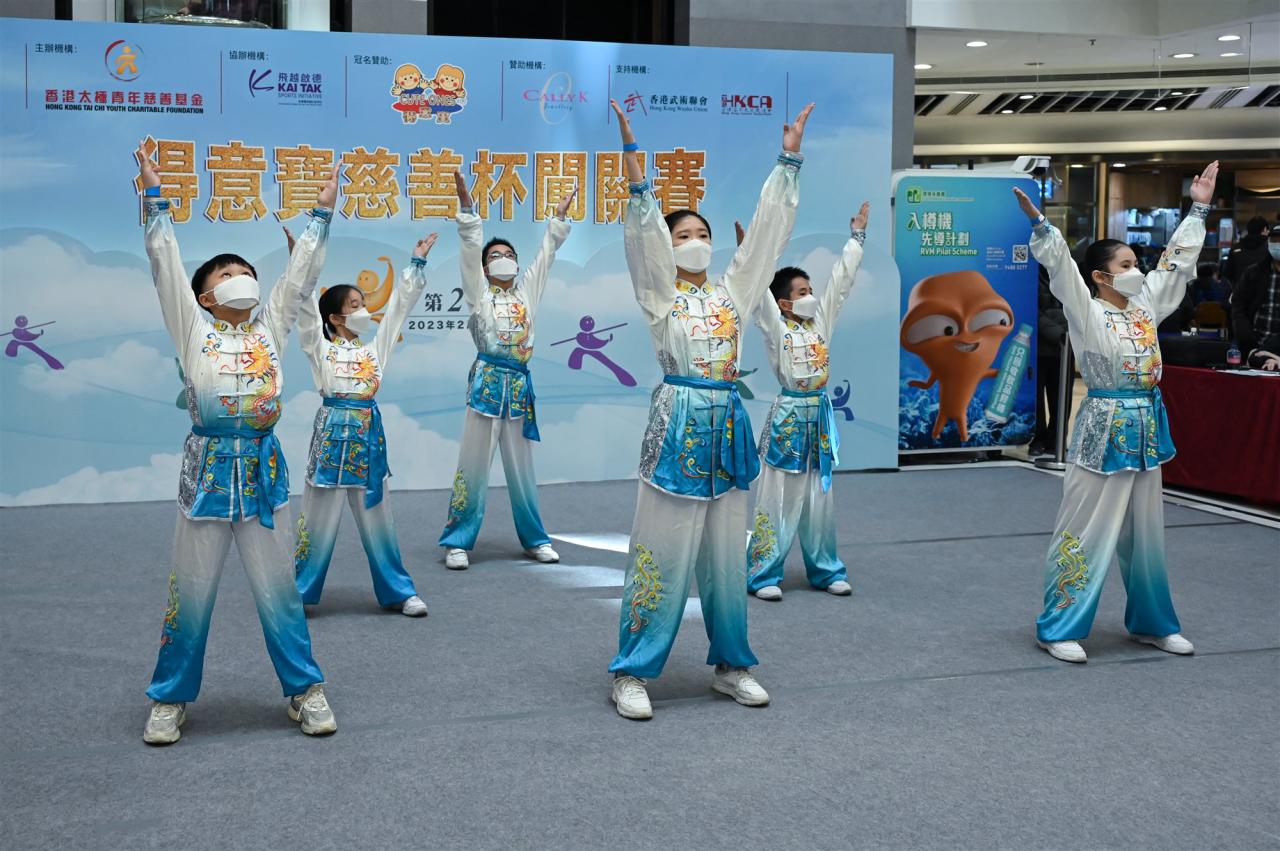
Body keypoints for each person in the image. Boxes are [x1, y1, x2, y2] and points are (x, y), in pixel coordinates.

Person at [604, 97, 812, 720]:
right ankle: (632, 670)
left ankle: (732, 665)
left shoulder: (732, 295)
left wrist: (788, 161)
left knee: (726, 557)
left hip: (726, 430)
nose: (695, 243)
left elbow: (767, 237)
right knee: (661, 550)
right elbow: (642, 237)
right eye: (683, 236)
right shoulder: (659, 294)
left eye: (702, 235)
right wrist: (634, 163)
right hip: (677, 428)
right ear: (667, 249)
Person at [136, 141, 337, 744]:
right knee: (190, 591)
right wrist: (154, 198)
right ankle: (170, 697)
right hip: (206, 477)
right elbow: (166, 265)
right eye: (226, 275)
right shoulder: (192, 330)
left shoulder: (270, 329)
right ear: (204, 298)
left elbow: (297, 281)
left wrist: (321, 214)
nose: (240, 279)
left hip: (263, 477)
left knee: (280, 591)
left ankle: (304, 688)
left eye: (245, 272)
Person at [1012, 160, 1218, 664]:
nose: (1136, 270)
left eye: (1135, 262)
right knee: (1084, 527)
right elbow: (1062, 271)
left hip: (1146, 431)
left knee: (1147, 534)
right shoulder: (1087, 311)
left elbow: (1175, 266)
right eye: (1125, 265)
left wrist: (1198, 210)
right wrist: (1042, 228)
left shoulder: (1145, 307)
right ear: (1101, 276)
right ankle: (1059, 625)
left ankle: (1152, 623)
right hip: (1101, 430)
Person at [292, 234, 439, 617]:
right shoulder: (319, 348)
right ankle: (299, 594)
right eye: (355, 305)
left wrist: (416, 263)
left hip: (367, 443)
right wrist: (302, 261)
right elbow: (305, 310)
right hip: (330, 443)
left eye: (364, 303)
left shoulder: (374, 351)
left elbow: (398, 309)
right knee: (315, 523)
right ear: (335, 319)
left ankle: (399, 591)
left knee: (380, 521)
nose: (365, 310)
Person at [438, 172, 575, 569]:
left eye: (508, 254)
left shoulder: (526, 293)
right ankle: (457, 541)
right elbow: (470, 251)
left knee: (522, 472)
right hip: (485, 389)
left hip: (517, 391)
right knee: (472, 468)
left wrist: (558, 219)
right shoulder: (478, 294)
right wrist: (468, 212)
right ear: (484, 269)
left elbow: (546, 254)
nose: (503, 259)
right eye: (494, 256)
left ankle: (535, 539)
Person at [744, 203, 869, 601]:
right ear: (784, 303)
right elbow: (759, 298)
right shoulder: (775, 328)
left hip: (818, 419)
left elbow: (841, 284)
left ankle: (826, 569)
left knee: (820, 500)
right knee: (777, 499)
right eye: (802, 292)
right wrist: (751, 255)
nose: (811, 296)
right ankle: (763, 572)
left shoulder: (821, 324)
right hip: (788, 418)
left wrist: (856, 239)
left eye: (811, 290)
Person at [1031, 265, 1074, 457]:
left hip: (1066, 346)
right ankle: (1037, 438)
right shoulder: (1028, 272)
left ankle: (1056, 440)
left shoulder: (1070, 272)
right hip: (1038, 345)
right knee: (1036, 398)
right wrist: (1058, 333)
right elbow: (1030, 308)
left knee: (1063, 396)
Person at [1231, 227, 1280, 371]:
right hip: (1253, 347)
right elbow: (1238, 307)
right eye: (1274, 240)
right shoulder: (1254, 273)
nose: (1278, 244)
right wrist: (1247, 339)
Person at [1222, 215, 1270, 290]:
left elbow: (1227, 274)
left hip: (1240, 292)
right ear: (1264, 229)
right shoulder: (1270, 248)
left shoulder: (1236, 248)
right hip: (1264, 293)